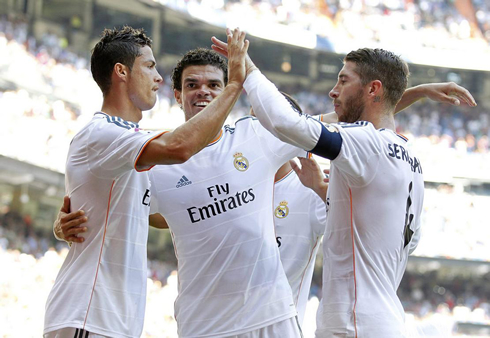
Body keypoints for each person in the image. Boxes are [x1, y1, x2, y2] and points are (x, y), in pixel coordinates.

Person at [56, 35, 476, 337]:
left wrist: (414, 92)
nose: (203, 92)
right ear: (179, 95)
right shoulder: (158, 160)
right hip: (205, 324)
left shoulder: (254, 136)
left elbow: (339, 123)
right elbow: (123, 207)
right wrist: (66, 225)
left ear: (228, 93)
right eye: (192, 85)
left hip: (269, 318)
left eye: (215, 85)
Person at [211, 32, 476, 337]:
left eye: (343, 81)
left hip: (353, 324)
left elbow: (289, 124)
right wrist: (324, 191)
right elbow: (390, 230)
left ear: (373, 88)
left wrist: (248, 71)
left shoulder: (366, 141)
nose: (332, 92)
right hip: (383, 319)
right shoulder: (409, 157)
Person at [43, 26, 249, 338]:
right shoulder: (103, 133)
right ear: (121, 72)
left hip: (114, 320)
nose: (158, 78)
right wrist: (233, 86)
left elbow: (168, 214)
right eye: (150, 66)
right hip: (89, 312)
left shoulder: (130, 145)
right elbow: (178, 148)